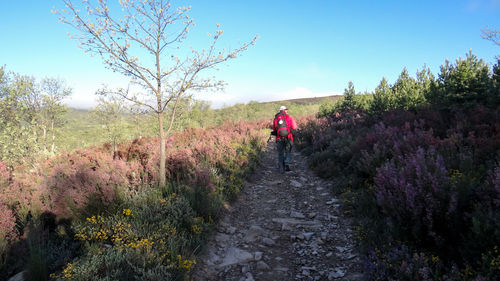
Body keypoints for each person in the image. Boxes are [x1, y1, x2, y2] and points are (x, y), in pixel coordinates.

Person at [272, 105, 297, 173]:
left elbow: (274, 128)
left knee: (280, 153)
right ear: (285, 110)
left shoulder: (276, 118)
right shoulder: (289, 117)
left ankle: (281, 169)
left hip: (279, 138)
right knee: (288, 151)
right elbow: (294, 127)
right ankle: (286, 162)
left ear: (280, 110)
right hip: (288, 137)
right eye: (286, 110)